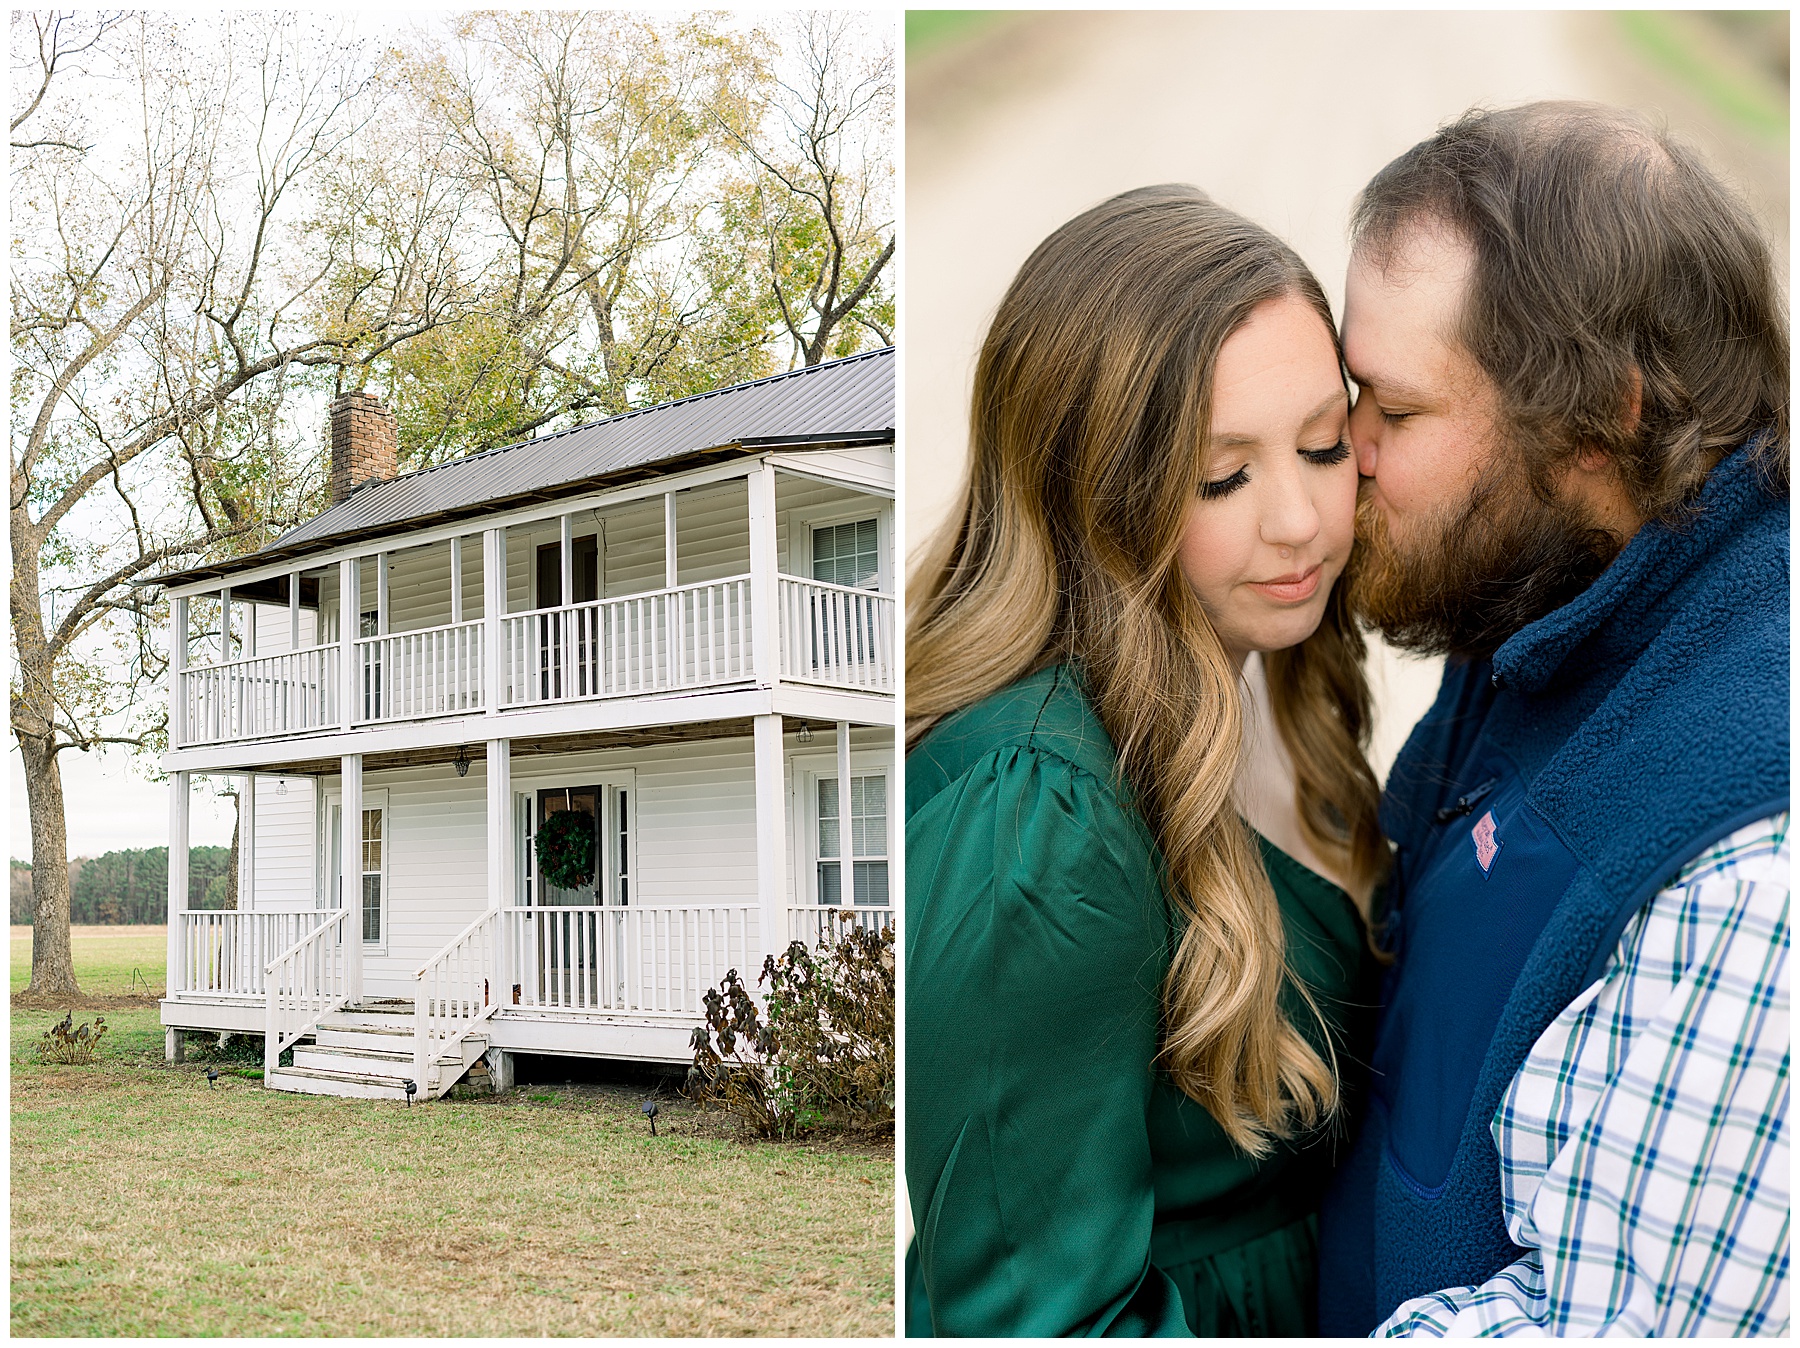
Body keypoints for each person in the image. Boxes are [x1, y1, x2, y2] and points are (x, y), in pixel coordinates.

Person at [1316, 103, 1789, 1336]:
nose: (1344, 450)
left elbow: (1606, 1322)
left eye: (1396, 412)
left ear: (1601, 417)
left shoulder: (1753, 854)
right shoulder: (1553, 592)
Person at [905, 184, 1388, 1336]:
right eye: (1222, 476)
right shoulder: (1041, 822)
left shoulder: (1274, 658)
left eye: (1325, 444)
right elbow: (1038, 1317)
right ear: (1093, 491)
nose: (1302, 519)